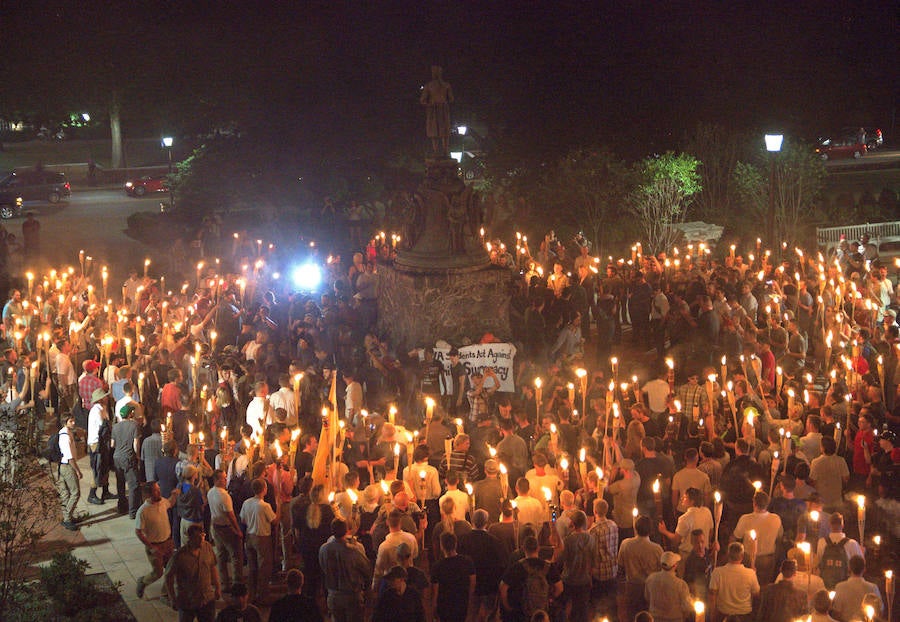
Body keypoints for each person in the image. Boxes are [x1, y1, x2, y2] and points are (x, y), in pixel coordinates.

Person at [163, 524, 221, 622]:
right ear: (190, 538)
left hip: (207, 598)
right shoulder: (179, 556)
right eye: (197, 537)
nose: (201, 540)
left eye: (203, 536)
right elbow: (168, 577)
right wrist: (173, 598)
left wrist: (217, 587)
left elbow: (212, 567)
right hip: (188, 601)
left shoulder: (207, 547)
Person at [318, 518, 372, 622]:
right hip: (352, 595)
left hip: (333, 595)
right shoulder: (353, 550)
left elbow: (323, 567)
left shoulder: (323, 549)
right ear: (346, 530)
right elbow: (366, 569)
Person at [499, 535, 563, 622]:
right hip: (543, 611)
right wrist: (549, 597)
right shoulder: (548, 566)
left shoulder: (517, 567)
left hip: (522, 612)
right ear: (538, 548)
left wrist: (507, 606)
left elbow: (503, 587)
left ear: (524, 549)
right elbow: (560, 588)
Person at [135, 481, 182, 599]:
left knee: (171, 569)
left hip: (168, 543)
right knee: (158, 573)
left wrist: (174, 495)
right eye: (156, 490)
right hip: (155, 547)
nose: (159, 491)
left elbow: (170, 503)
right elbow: (138, 532)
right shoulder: (143, 511)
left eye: (158, 489)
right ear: (148, 494)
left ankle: (165, 593)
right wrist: (151, 547)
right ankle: (143, 582)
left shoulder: (162, 502)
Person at [459, 509, 507, 622]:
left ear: (472, 522)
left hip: (469, 586)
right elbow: (501, 565)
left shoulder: (463, 540)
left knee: (471, 615)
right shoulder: (494, 541)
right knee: (488, 616)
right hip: (489, 586)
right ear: (487, 522)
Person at [239, 477, 276, 604]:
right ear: (264, 489)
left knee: (252, 567)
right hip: (262, 538)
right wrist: (280, 508)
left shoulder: (246, 503)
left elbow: (242, 520)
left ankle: (251, 593)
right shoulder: (265, 506)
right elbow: (274, 521)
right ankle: (263, 595)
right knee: (264, 567)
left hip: (250, 536)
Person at [207, 469, 244, 592]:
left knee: (221, 555)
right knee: (236, 556)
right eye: (223, 478)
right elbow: (231, 515)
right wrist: (238, 530)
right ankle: (237, 583)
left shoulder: (210, 492)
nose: (225, 480)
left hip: (216, 526)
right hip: (226, 528)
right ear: (217, 480)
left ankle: (224, 583)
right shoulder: (224, 495)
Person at [557, 510, 596, 622]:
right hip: (584, 580)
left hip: (569, 579)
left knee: (563, 607)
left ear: (572, 523)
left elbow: (560, 560)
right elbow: (593, 562)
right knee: (583, 610)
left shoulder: (568, 540)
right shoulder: (591, 539)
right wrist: (591, 578)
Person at [431, 532, 476, 622]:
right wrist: (470, 602)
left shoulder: (437, 566)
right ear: (455, 544)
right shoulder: (467, 561)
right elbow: (473, 584)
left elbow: (435, 591)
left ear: (442, 546)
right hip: (462, 603)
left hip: (445, 605)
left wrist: (434, 607)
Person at [709, 542, 760, 621]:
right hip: (745, 616)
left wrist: (712, 617)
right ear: (742, 556)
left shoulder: (717, 572)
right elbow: (756, 594)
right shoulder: (750, 574)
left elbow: (712, 597)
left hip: (723, 614)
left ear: (728, 555)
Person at [831, 555, 884, 622]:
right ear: (864, 569)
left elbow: (836, 613)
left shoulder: (840, 587)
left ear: (849, 568)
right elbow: (880, 610)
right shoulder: (873, 588)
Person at [643, 551, 693, 622]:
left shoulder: (651, 579)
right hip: (674, 619)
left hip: (655, 619)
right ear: (675, 566)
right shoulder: (681, 584)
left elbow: (647, 598)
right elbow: (686, 607)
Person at [111, 403, 141, 518]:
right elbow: (136, 443)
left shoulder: (115, 426)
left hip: (117, 458)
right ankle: (132, 511)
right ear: (130, 414)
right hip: (128, 457)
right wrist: (137, 456)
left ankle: (121, 507)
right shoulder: (134, 425)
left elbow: (112, 444)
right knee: (133, 485)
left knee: (120, 483)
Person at [56, 414, 82, 530]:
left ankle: (68, 517)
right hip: (67, 467)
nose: (73, 423)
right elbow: (69, 456)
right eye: (71, 421)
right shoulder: (65, 436)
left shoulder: (65, 433)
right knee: (75, 492)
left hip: (62, 466)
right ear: (65, 422)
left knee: (65, 493)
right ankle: (67, 518)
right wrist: (77, 470)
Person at [420, 65, 453, 156]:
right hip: (435, 109)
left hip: (438, 109)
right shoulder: (442, 85)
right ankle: (438, 152)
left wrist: (430, 103)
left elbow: (423, 100)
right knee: (435, 131)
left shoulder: (443, 85)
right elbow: (451, 99)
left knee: (442, 130)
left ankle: (442, 151)